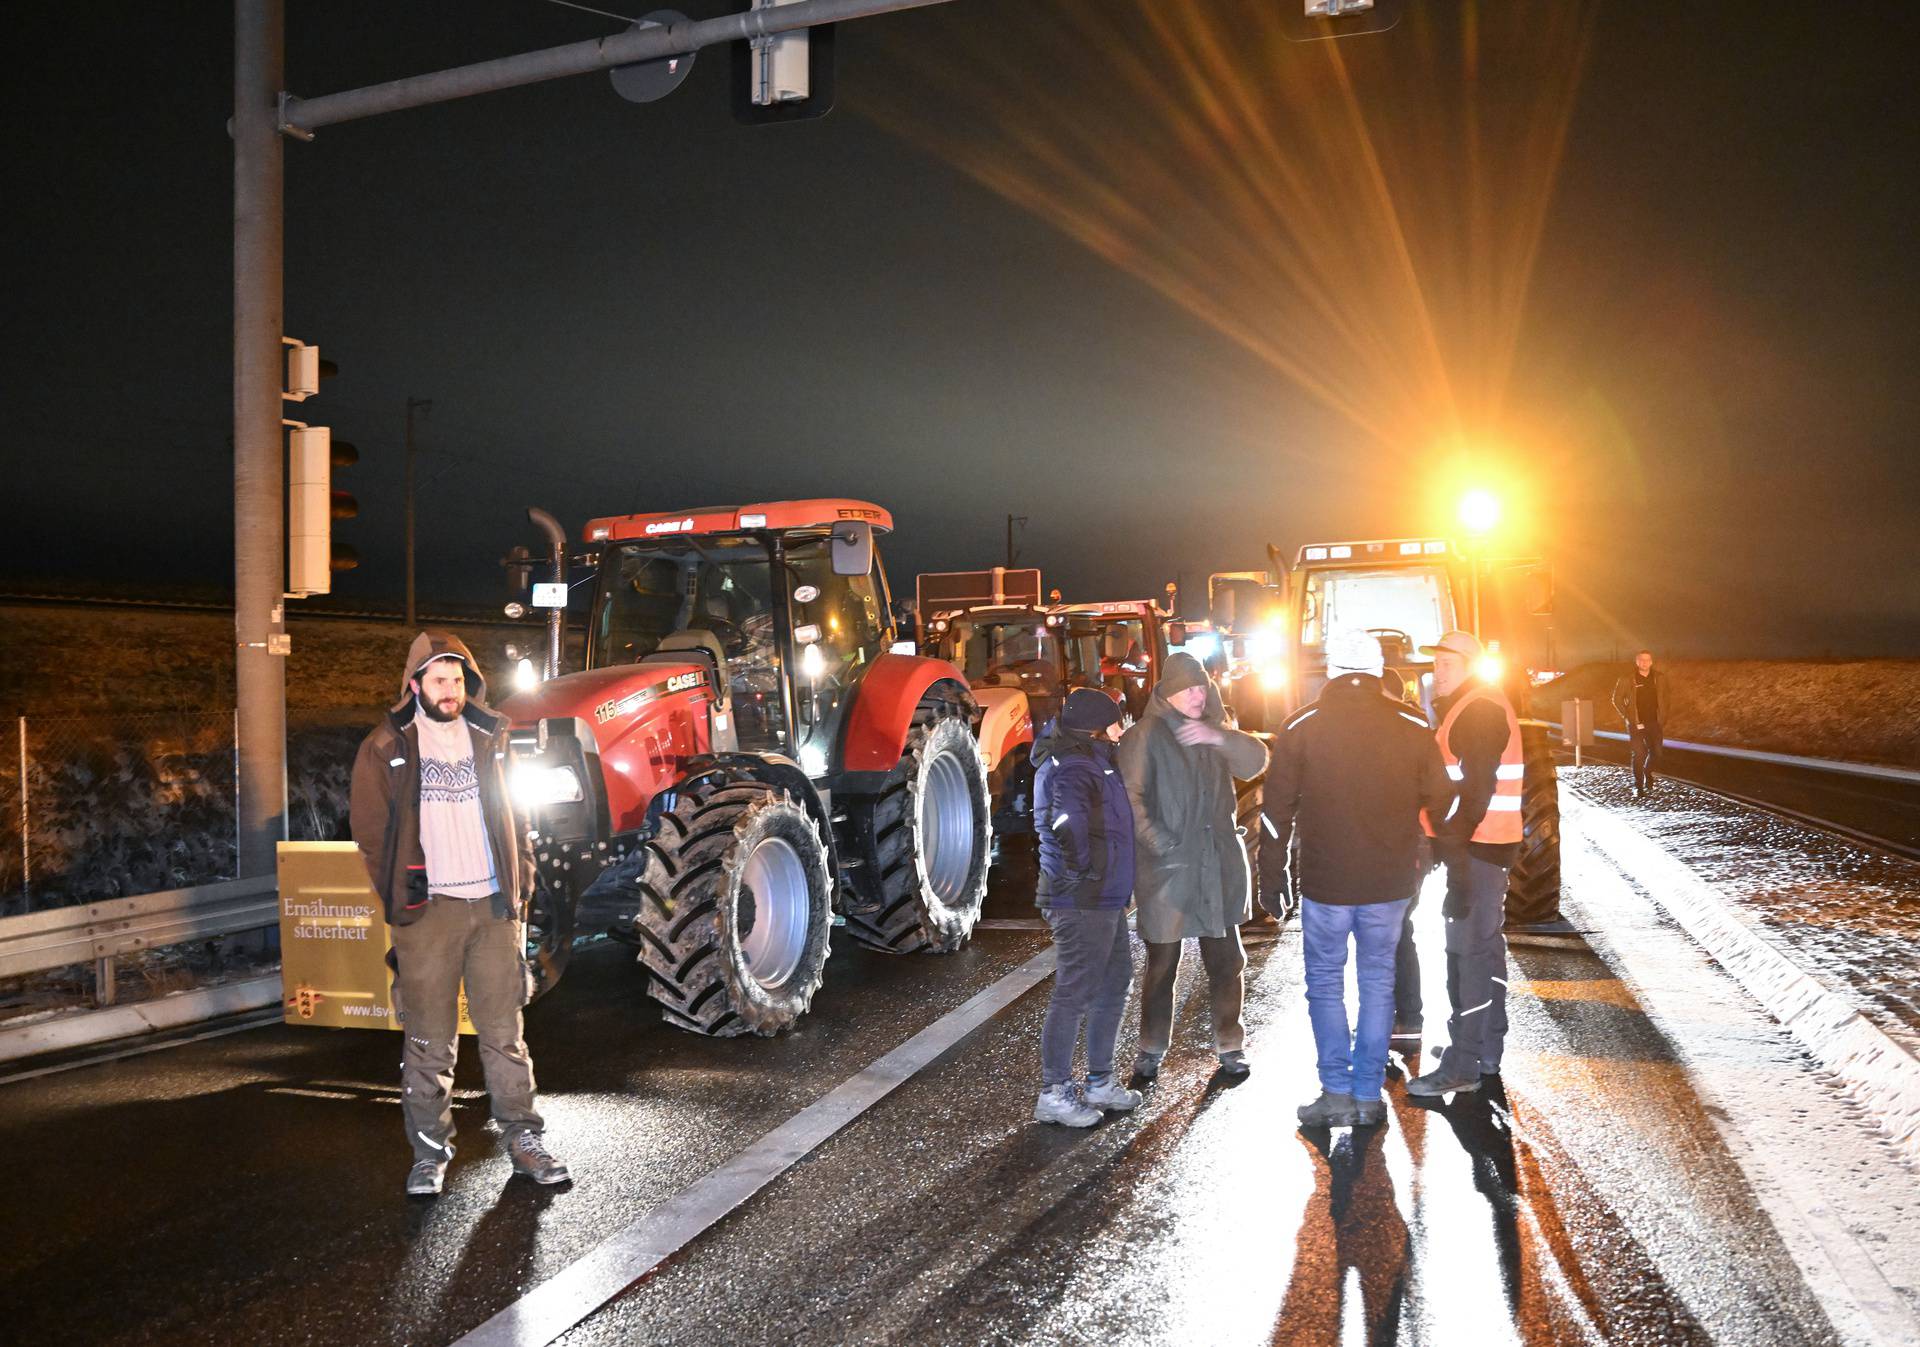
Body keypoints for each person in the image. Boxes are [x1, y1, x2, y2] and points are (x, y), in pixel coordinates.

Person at [349, 632, 570, 1197]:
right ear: (415, 684)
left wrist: (517, 898)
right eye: (437, 679)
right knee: (429, 1042)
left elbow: (515, 820)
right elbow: (371, 838)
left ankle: (524, 1139)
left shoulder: (490, 737)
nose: (449, 690)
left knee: (505, 1036)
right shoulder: (385, 747)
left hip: (493, 910)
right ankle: (429, 1153)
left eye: (457, 679)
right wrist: (401, 904)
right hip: (428, 915)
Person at [1264, 631, 1453, 1128]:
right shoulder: (1413, 724)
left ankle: (1336, 1092)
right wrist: (1442, 851)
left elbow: (1275, 811)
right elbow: (1442, 797)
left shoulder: (1300, 726)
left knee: (1325, 985)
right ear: (1376, 671)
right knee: (1378, 984)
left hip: (1326, 883)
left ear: (1331, 671)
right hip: (1389, 884)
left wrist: (1272, 876)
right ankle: (1369, 1095)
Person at [1119, 652, 1270, 1081]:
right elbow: (1131, 800)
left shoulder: (1215, 733)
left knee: (1227, 961)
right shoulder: (1145, 736)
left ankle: (1230, 1044)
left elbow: (1256, 760)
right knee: (1163, 963)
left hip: (1218, 868)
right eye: (1188, 688)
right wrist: (1162, 844)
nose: (1198, 694)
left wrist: (1217, 737)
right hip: (1169, 871)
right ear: (1168, 692)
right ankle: (1150, 1047)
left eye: (1202, 687)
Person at [1407, 630, 1525, 1098]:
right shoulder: (1472, 705)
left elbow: (1476, 792)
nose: (1438, 672)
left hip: (1476, 849)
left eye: (1448, 664)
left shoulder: (1477, 711)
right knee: (1485, 949)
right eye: (1435, 663)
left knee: (1466, 955)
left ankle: (1464, 1064)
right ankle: (1485, 1048)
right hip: (1487, 845)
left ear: (1471, 666)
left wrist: (1451, 847)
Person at [1031, 688, 1141, 1127]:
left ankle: (1099, 1080)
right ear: (1099, 725)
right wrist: (1085, 872)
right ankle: (1054, 1092)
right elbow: (1067, 822)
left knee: (1115, 981)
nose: (1123, 727)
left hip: (1105, 895)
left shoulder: (1096, 760)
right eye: (1117, 720)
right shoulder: (1075, 766)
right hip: (1083, 898)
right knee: (1074, 991)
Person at [1612, 649, 1669, 797]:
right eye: (1641, 660)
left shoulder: (1660, 678)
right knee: (1639, 754)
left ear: (1651, 662)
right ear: (1637, 662)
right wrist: (1628, 717)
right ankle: (1639, 786)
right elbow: (1616, 700)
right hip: (1636, 723)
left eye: (1647, 660)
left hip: (1654, 723)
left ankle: (1647, 772)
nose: (1644, 662)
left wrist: (1663, 717)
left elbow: (1665, 698)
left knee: (1657, 753)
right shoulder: (1627, 679)